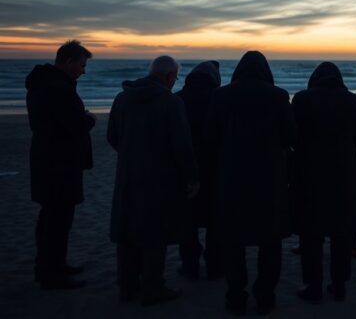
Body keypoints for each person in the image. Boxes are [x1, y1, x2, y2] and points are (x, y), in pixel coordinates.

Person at [207, 51, 295, 316]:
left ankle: (236, 296)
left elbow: (210, 137)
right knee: (270, 241)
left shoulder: (221, 96)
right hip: (269, 177)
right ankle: (265, 296)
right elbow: (291, 136)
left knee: (233, 240)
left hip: (232, 176)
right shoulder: (278, 96)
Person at [107, 56, 198, 306]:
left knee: (127, 232)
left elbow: (112, 136)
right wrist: (190, 176)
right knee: (155, 234)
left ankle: (127, 286)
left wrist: (131, 155)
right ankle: (152, 287)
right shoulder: (170, 102)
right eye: (175, 78)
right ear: (170, 77)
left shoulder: (122, 98)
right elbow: (182, 144)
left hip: (128, 175)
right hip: (161, 178)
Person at [292, 62, 356, 303]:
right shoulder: (354, 101)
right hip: (344, 173)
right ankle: (339, 284)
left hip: (309, 172)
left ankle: (313, 286)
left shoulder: (302, 100)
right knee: (341, 232)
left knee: (311, 233)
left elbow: (293, 135)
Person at [25, 40, 95, 290]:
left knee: (54, 219)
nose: (83, 71)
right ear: (68, 62)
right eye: (81, 65)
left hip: (49, 160)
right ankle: (51, 272)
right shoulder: (57, 88)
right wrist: (88, 120)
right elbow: (72, 125)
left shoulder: (45, 85)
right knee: (56, 220)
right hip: (59, 163)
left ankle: (53, 265)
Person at [175, 61, 222, 281]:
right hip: (215, 166)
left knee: (187, 220)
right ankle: (214, 265)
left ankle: (190, 264)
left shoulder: (178, 99)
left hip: (184, 167)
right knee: (215, 220)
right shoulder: (219, 100)